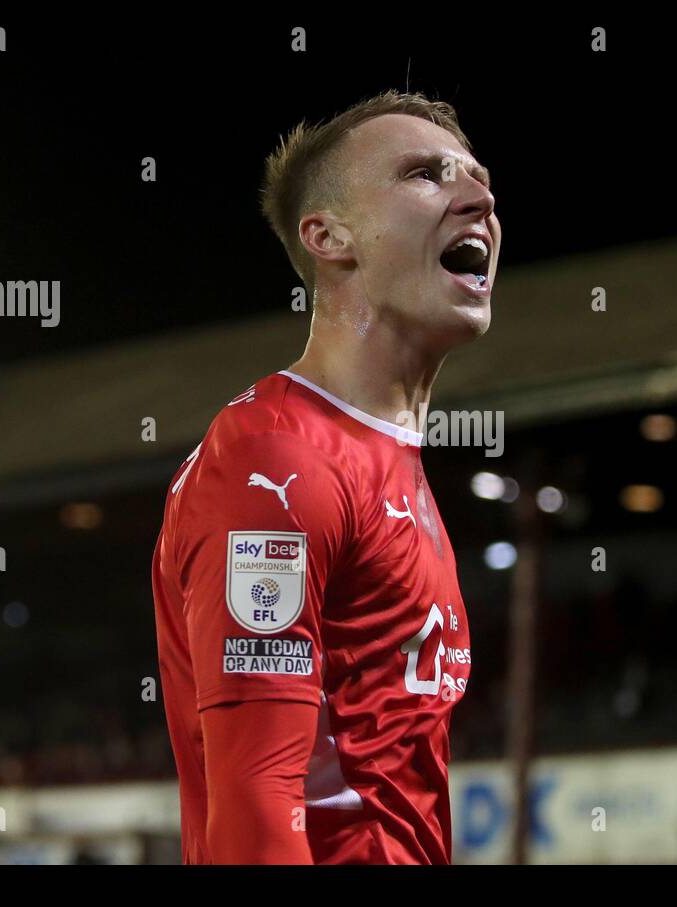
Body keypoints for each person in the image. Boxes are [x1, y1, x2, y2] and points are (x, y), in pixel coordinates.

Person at [151, 91, 501, 864]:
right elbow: (257, 795)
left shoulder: (385, 459)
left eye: (479, 179)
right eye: (426, 175)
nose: (480, 198)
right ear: (328, 235)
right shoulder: (275, 456)